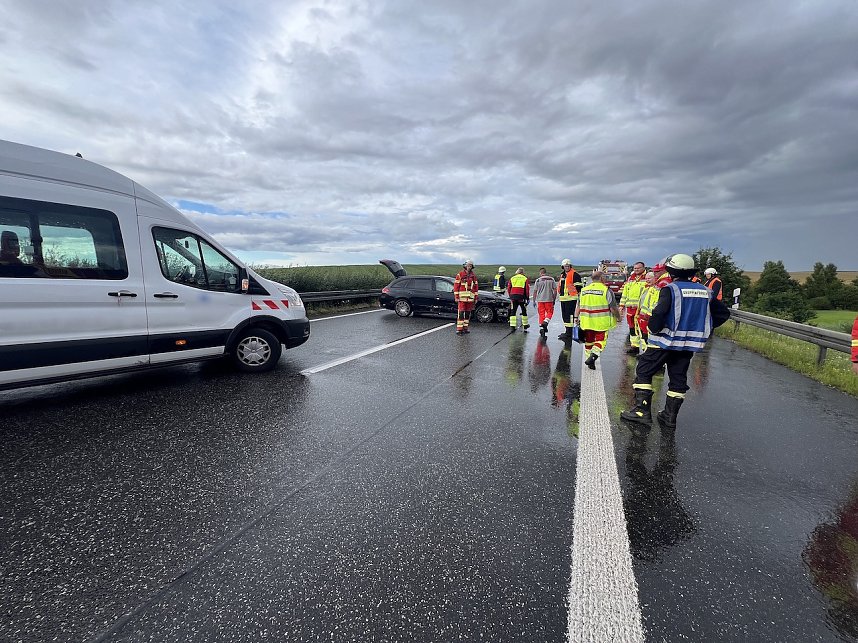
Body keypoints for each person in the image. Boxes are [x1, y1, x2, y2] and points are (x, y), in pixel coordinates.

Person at [620, 253, 730, 429]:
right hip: (687, 344)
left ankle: (641, 412)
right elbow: (723, 313)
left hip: (664, 341)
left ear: (671, 271)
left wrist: (654, 329)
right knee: (678, 378)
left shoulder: (671, 289)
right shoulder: (705, 291)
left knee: (644, 371)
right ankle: (669, 417)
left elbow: (659, 313)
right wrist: (704, 329)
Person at [577, 270, 621, 369]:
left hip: (586, 321)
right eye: (604, 277)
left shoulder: (584, 290)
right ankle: (593, 356)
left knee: (589, 341)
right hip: (601, 322)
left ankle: (590, 360)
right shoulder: (606, 290)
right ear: (601, 278)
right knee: (601, 341)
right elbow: (613, 308)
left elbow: (578, 306)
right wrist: (618, 317)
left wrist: (576, 318)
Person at [619, 261, 647, 355]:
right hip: (630, 309)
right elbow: (625, 293)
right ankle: (634, 346)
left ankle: (645, 350)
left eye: (638, 268)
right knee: (632, 328)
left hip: (641, 309)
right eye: (635, 268)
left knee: (642, 329)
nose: (636, 270)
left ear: (643, 268)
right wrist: (621, 306)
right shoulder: (631, 278)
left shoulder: (647, 278)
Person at [557, 259, 584, 340]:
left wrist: (579, 296)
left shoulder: (575, 275)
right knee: (564, 316)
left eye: (568, 266)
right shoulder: (562, 275)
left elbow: (579, 287)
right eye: (565, 266)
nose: (567, 267)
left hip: (571, 298)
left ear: (570, 266)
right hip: (563, 298)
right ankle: (567, 331)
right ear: (563, 267)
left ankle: (569, 333)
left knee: (570, 316)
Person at [453, 259, 479, 335]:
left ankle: (465, 328)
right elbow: (456, 286)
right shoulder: (460, 274)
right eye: (468, 266)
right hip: (461, 298)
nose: (469, 267)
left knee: (468, 314)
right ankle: (459, 329)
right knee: (461, 313)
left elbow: (476, 287)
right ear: (465, 266)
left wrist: (476, 297)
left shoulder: (473, 276)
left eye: (470, 266)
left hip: (470, 299)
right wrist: (456, 296)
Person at [634, 271, 657, 351]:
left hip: (649, 317)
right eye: (646, 278)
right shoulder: (646, 289)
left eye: (649, 278)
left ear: (655, 278)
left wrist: (648, 314)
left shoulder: (656, 290)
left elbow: (655, 304)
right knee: (643, 335)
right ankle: (644, 351)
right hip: (642, 317)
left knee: (647, 336)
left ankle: (647, 352)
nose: (647, 280)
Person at [532, 267, 557, 336]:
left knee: (541, 314)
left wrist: (534, 301)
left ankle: (542, 328)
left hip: (540, 300)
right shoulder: (551, 279)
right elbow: (555, 290)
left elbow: (535, 291)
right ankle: (546, 322)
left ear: (540, 273)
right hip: (549, 299)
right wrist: (554, 299)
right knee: (550, 312)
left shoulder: (538, 280)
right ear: (546, 272)